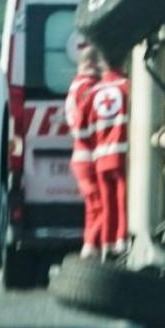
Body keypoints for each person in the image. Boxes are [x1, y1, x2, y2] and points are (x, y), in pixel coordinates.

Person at [64, 42, 103, 261]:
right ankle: (90, 250)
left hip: (80, 155)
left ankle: (90, 246)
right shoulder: (87, 88)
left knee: (92, 208)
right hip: (89, 155)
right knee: (101, 207)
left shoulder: (76, 85)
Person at [90, 55, 130, 259]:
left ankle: (106, 245)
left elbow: (86, 127)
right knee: (122, 202)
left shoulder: (94, 91)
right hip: (120, 155)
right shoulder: (127, 86)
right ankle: (121, 243)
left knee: (107, 206)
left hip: (100, 158)